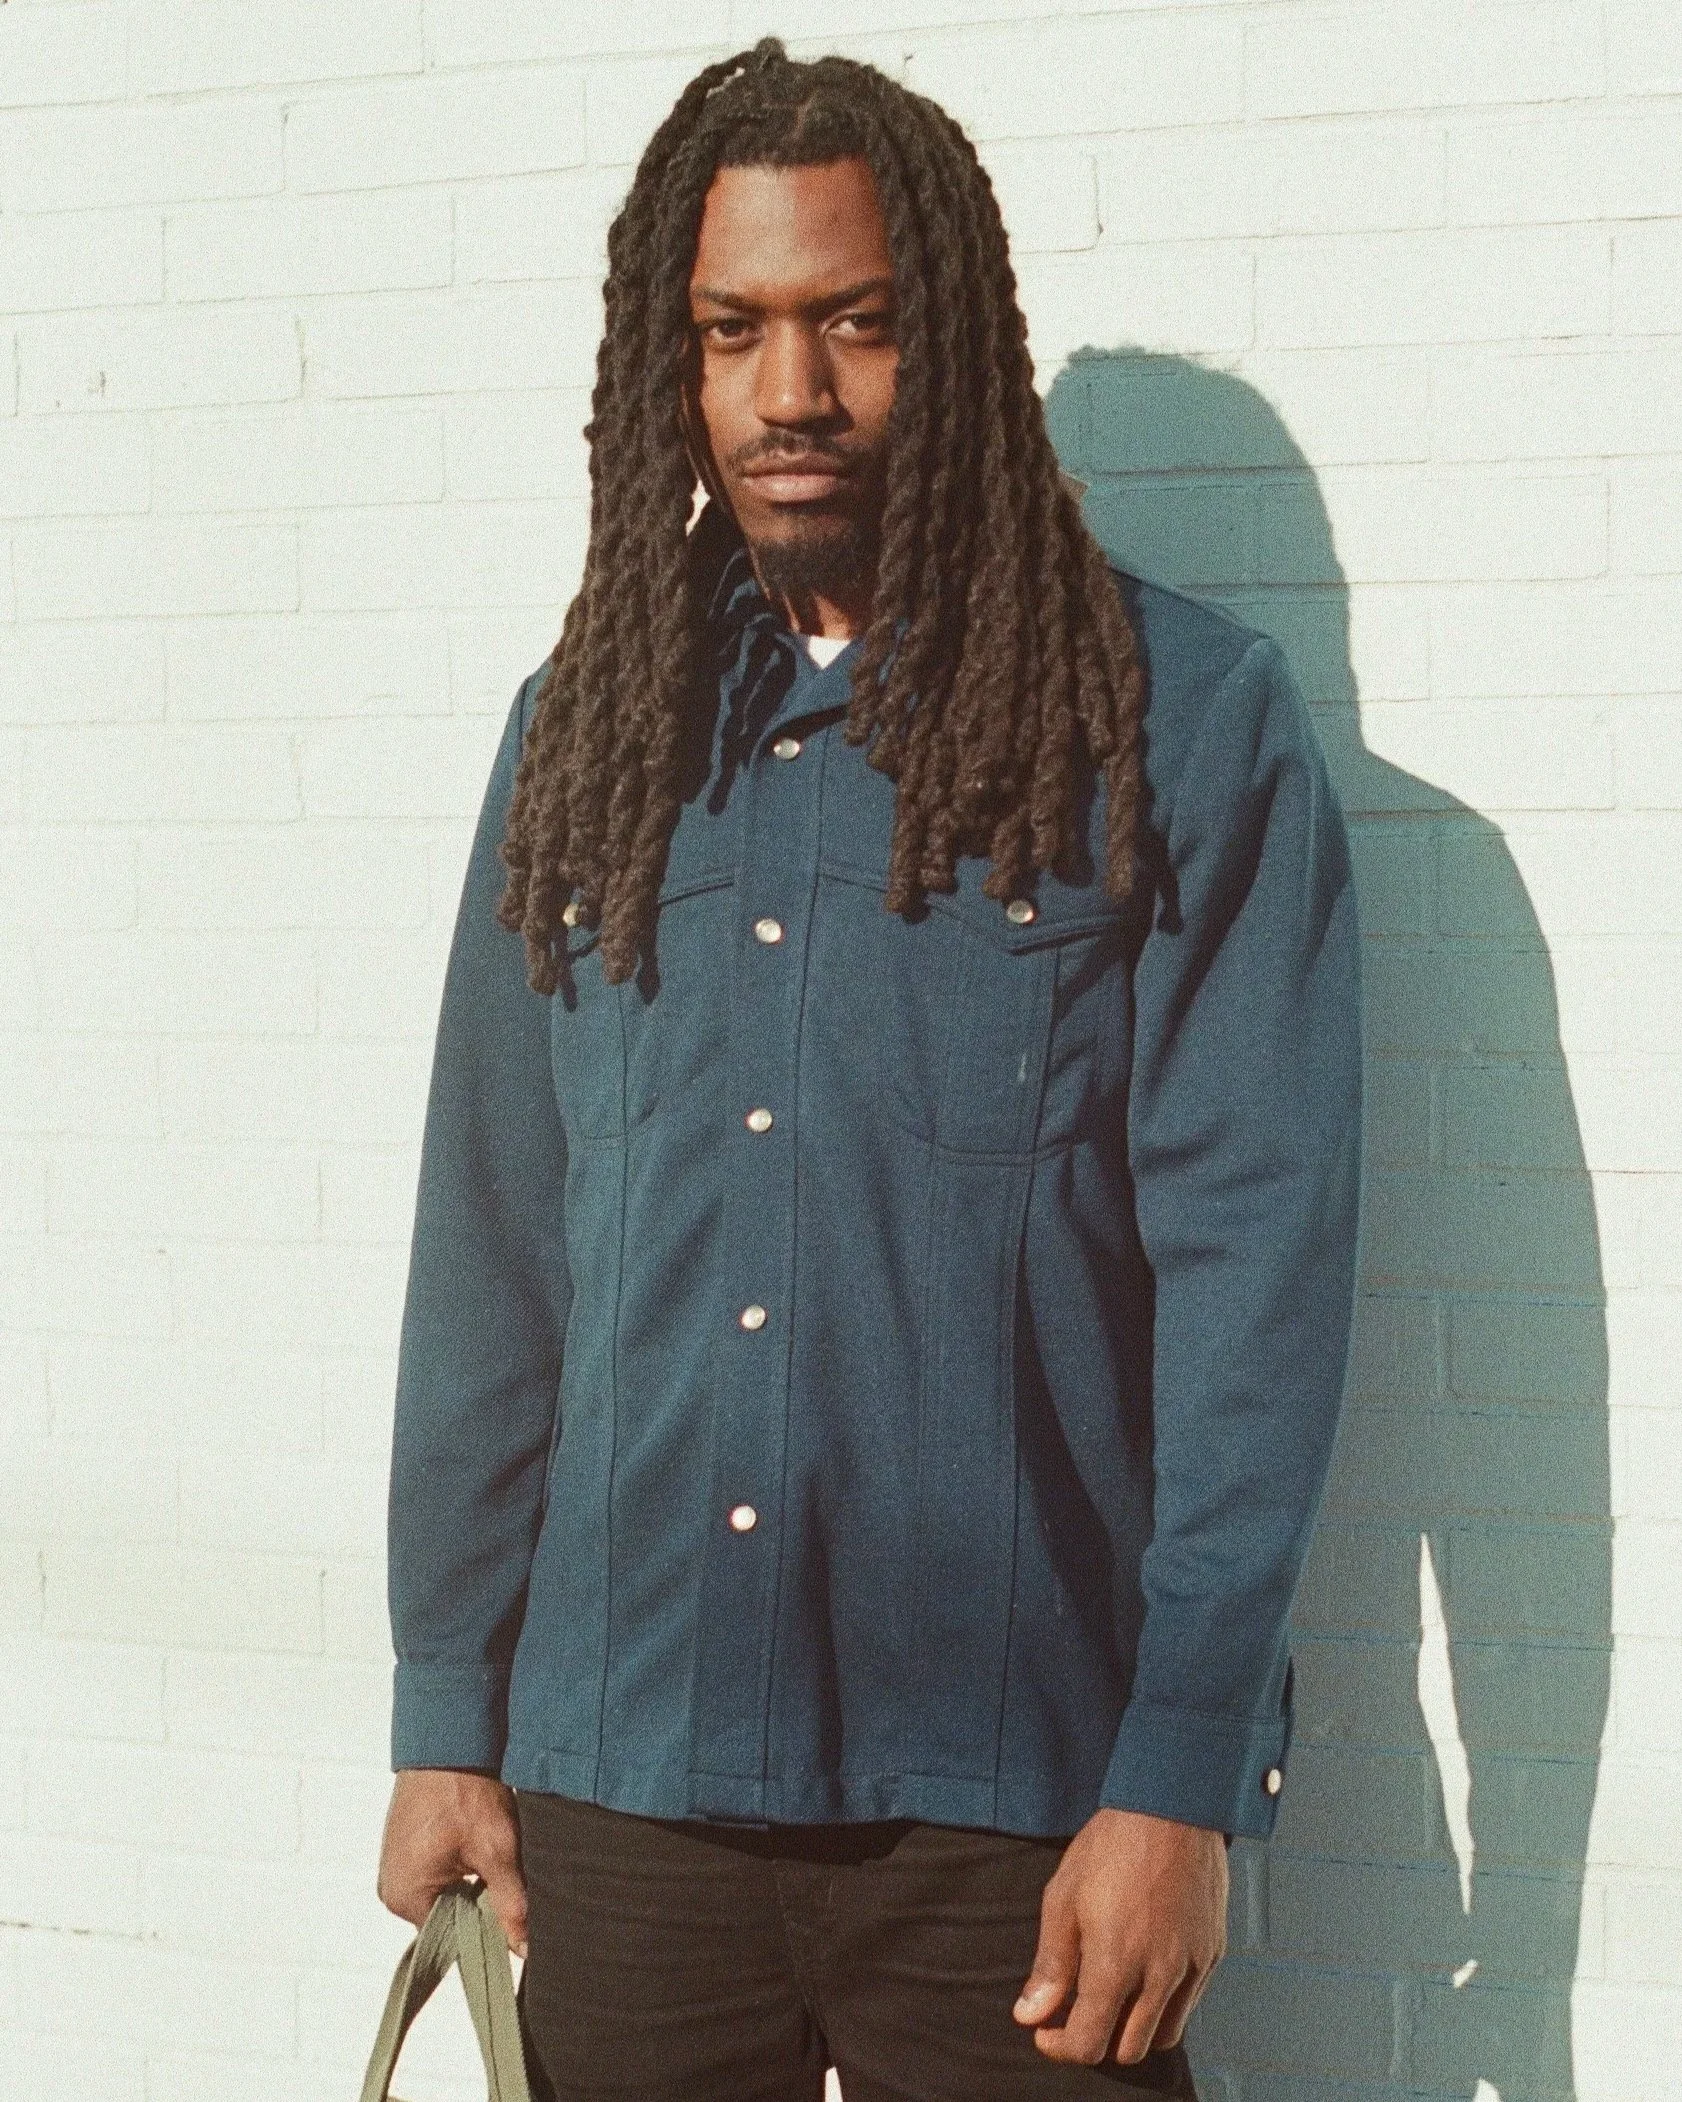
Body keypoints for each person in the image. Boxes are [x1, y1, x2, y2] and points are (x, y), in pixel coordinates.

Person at [374, 38, 1363, 2102]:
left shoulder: (1176, 727)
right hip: (621, 1791)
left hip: (1011, 1811)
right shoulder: (593, 732)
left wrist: (1177, 1780)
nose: (788, 390)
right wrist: (445, 1713)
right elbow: (493, 1256)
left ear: (960, 348)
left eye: (856, 323)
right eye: (732, 332)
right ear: (676, 359)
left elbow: (1251, 1294)